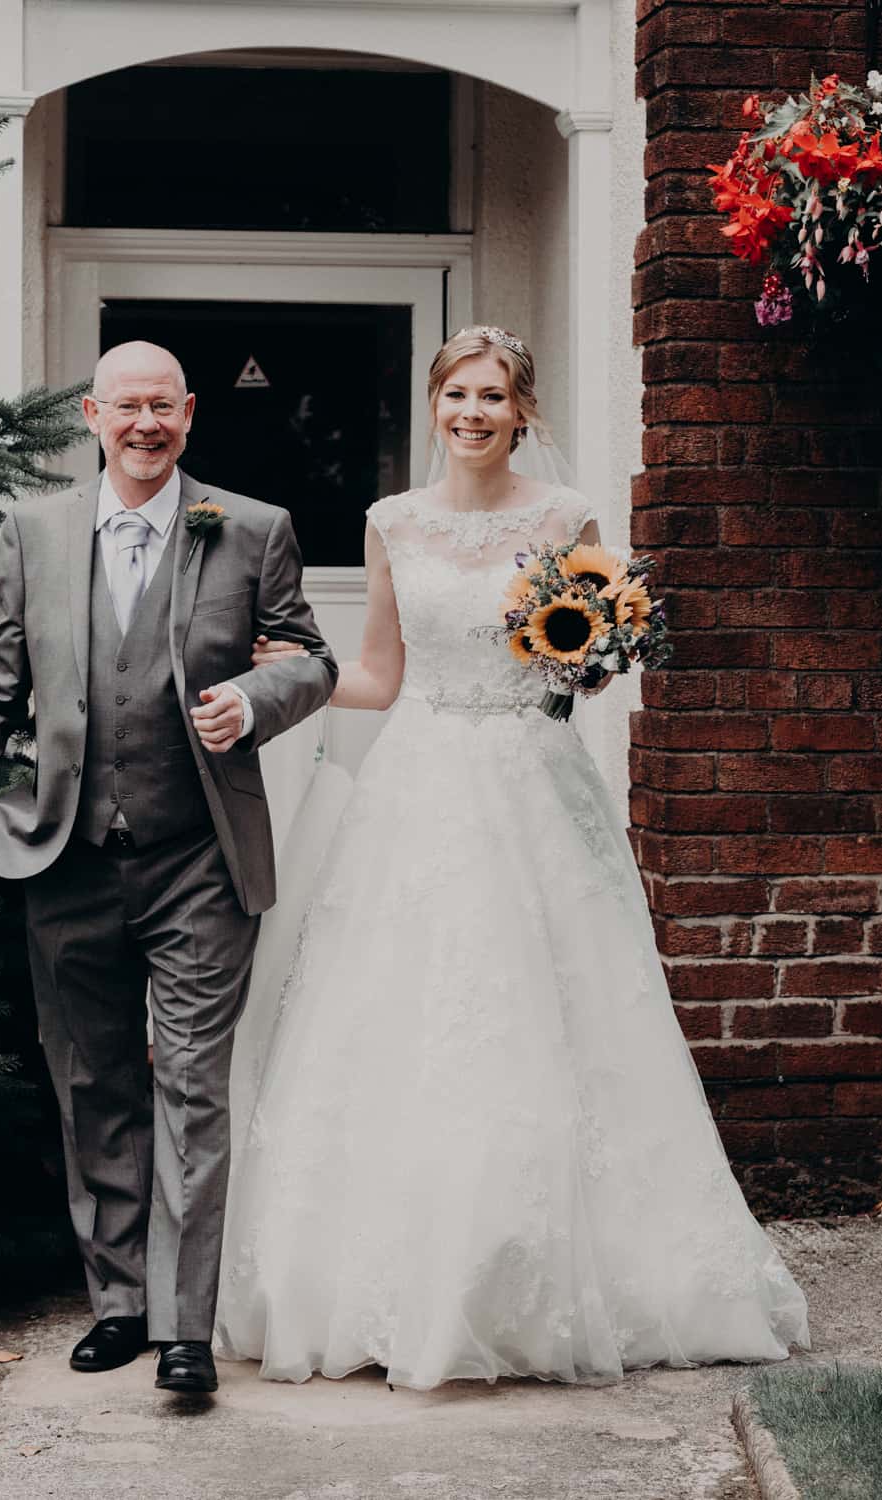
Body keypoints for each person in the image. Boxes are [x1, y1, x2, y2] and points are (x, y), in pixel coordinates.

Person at [214, 326, 809, 1390]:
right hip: (419, 786)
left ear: (521, 410)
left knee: (556, 1006)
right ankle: (396, 1275)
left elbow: (585, 668)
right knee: (407, 1013)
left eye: (492, 396)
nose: (472, 414)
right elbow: (381, 677)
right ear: (433, 403)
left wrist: (591, 654)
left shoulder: (563, 519)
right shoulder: (391, 520)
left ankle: (567, 1270)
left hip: (530, 780)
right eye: (456, 395)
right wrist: (294, 676)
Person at [0, 341, 337, 1395]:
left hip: (201, 857)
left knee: (192, 1088)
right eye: (126, 407)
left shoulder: (250, 528)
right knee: (92, 1082)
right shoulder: (36, 531)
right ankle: (119, 1305)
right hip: (67, 859)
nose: (145, 424)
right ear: (93, 417)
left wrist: (257, 701)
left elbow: (311, 658)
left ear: (189, 413)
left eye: (162, 406)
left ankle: (186, 1331)